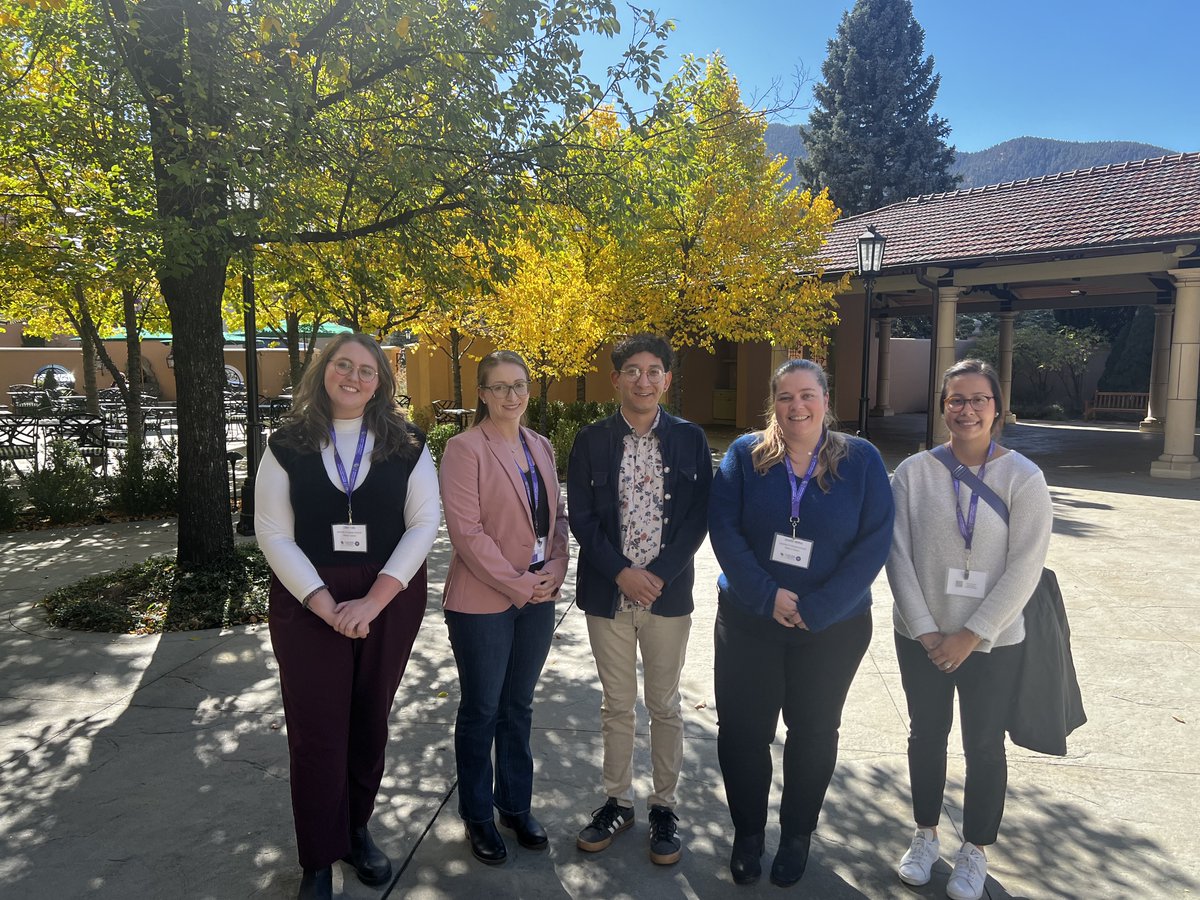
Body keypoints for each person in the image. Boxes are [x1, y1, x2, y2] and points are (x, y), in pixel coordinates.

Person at [255, 334, 440, 900]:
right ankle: (318, 855)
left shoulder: (408, 443)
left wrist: (374, 601)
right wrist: (323, 602)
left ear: (380, 381)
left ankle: (356, 829)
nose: (354, 378)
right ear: (324, 371)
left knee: (368, 721)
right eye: (343, 366)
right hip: (307, 597)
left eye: (367, 370)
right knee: (316, 731)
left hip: (387, 598)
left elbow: (424, 524)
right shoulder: (285, 443)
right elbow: (272, 532)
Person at [708, 358, 893, 888]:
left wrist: (817, 607)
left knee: (813, 733)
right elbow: (724, 529)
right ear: (774, 403)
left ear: (825, 400)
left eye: (807, 394)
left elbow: (874, 542)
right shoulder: (746, 456)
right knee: (743, 733)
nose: (797, 406)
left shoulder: (861, 460)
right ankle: (747, 835)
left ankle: (796, 836)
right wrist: (767, 595)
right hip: (749, 619)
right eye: (786, 396)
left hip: (832, 627)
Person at [886, 358, 1052, 900]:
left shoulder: (1023, 477)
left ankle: (976, 849)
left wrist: (972, 634)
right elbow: (897, 555)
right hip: (920, 637)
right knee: (925, 736)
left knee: (984, 745)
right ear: (942, 408)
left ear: (998, 409)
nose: (967, 409)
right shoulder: (912, 474)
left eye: (979, 399)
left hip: (994, 642)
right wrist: (927, 629)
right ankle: (925, 834)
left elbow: (1026, 567)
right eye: (956, 399)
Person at [566, 334, 713, 865]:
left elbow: (699, 516)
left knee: (665, 705)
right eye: (633, 370)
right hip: (609, 594)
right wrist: (623, 573)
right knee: (617, 705)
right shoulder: (591, 440)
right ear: (617, 378)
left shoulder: (691, 439)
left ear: (668, 379)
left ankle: (664, 806)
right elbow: (581, 515)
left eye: (654, 371)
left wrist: (659, 575)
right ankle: (617, 800)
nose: (643, 380)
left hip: (667, 597)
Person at [439, 350, 570, 865]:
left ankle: (515, 805)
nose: (511, 396)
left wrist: (555, 571)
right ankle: (477, 816)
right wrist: (520, 583)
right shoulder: (464, 449)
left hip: (537, 596)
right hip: (483, 603)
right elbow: (466, 534)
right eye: (499, 387)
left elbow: (557, 519)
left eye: (519, 385)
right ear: (482, 394)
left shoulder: (540, 445)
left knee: (519, 707)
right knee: (482, 710)